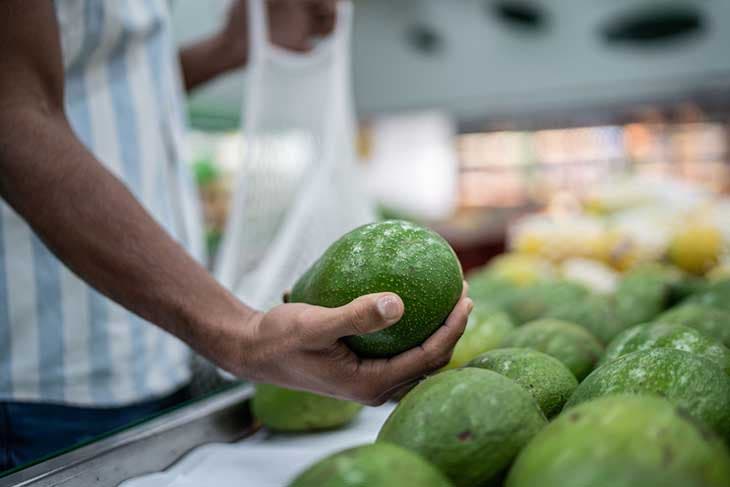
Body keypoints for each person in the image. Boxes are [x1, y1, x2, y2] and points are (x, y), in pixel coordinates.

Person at [0, 0, 472, 471]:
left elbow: (108, 87)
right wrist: (239, 333)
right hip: (50, 372)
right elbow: (15, 118)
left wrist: (227, 49)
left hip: (159, 348)